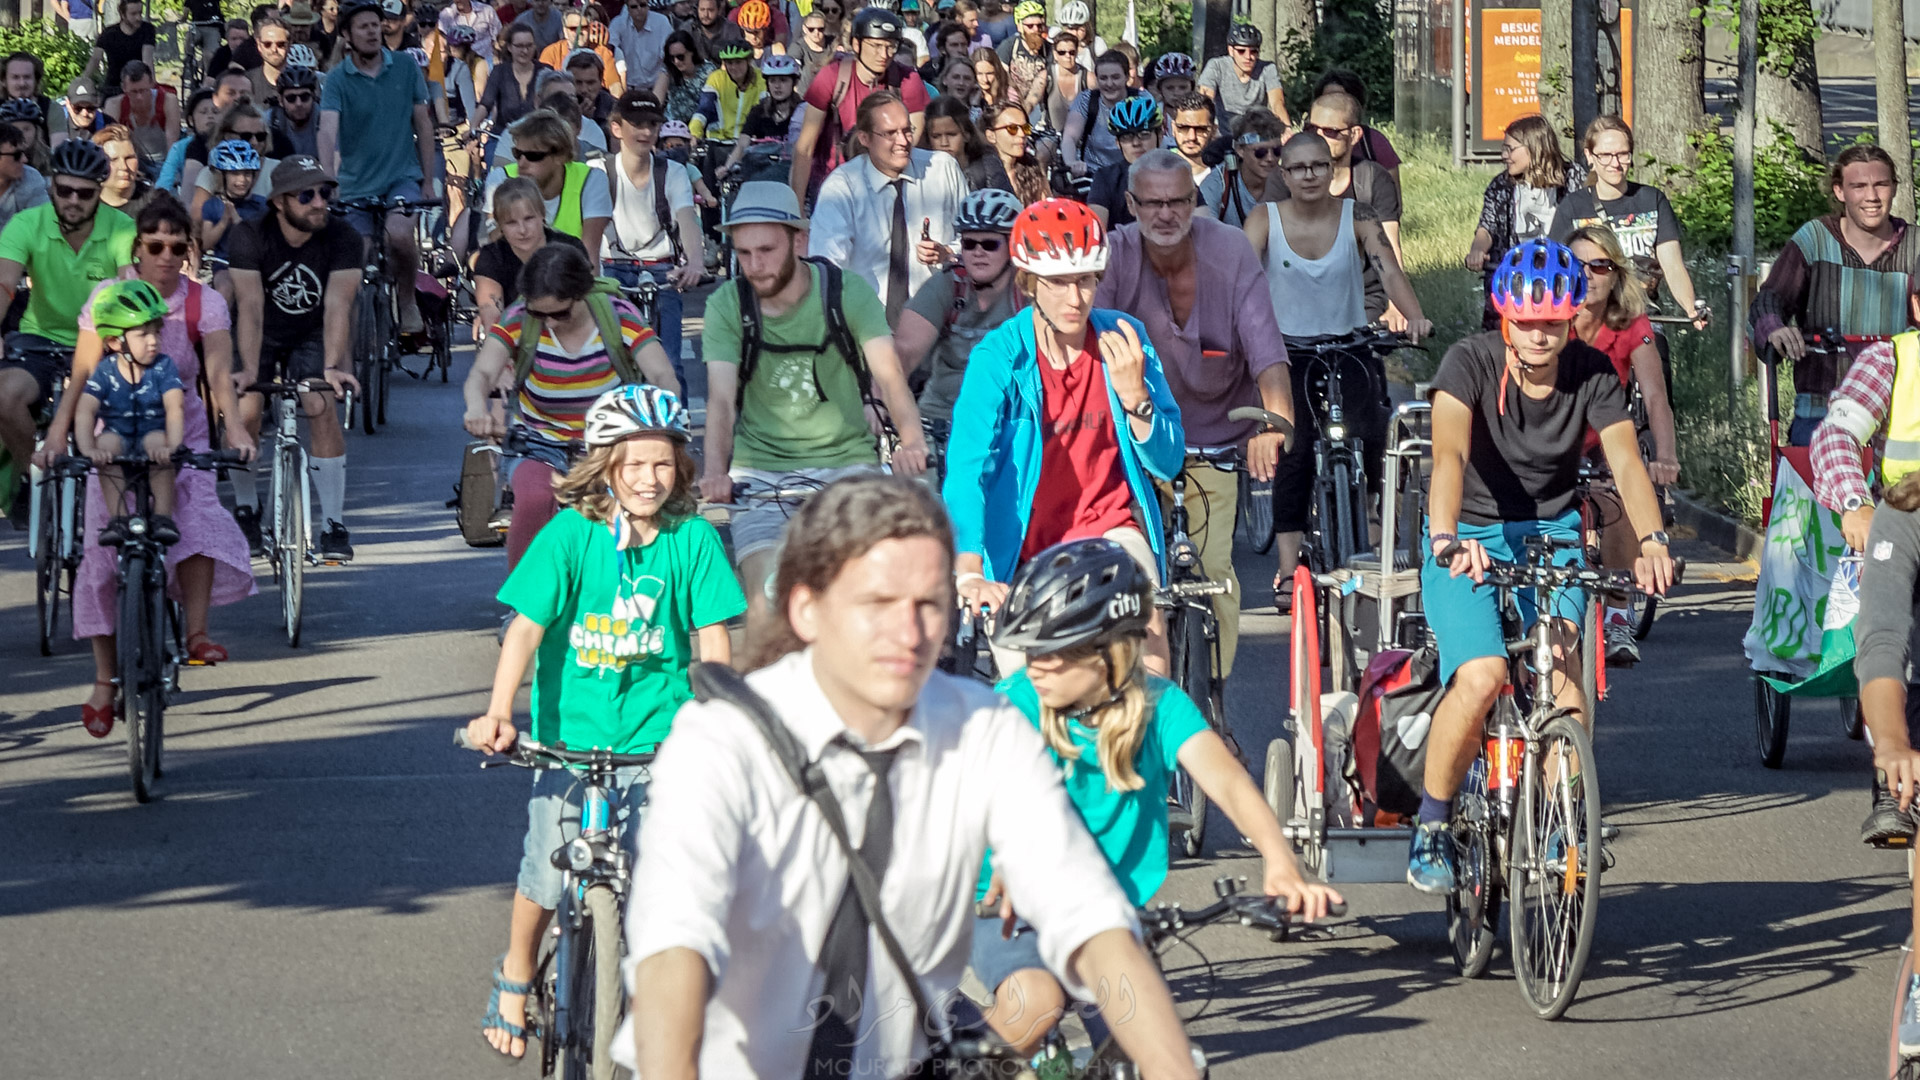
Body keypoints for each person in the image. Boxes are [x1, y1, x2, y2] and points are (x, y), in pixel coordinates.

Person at [620, 473, 1202, 1080]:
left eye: (928, 603)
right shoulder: (722, 742)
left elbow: (1090, 917)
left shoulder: (983, 726)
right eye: (877, 603)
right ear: (806, 610)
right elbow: (675, 951)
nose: (910, 632)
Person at [972, 537, 1341, 1056]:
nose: (1035, 667)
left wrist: (1280, 861)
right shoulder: (1013, 706)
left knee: (1158, 1054)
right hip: (1010, 909)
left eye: (1053, 654)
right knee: (1034, 1004)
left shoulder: (1159, 704)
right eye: (1030, 651)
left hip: (1106, 912)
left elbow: (1227, 782)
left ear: (1106, 652)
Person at [465, 383, 744, 1062]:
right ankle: (518, 970)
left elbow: (712, 639)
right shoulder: (571, 535)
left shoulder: (694, 540)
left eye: (663, 463)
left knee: (666, 876)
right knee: (543, 868)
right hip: (570, 742)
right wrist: (500, 713)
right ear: (604, 465)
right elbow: (526, 630)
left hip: (661, 742)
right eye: (633, 464)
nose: (649, 479)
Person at [1407, 237, 1674, 893]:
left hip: (1549, 530)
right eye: (1525, 323)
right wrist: (1445, 537)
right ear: (1505, 316)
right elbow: (1446, 457)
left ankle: (1560, 825)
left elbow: (1626, 463)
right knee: (1482, 674)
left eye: (1551, 323)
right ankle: (1434, 825)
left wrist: (1653, 541)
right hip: (1466, 532)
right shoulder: (1469, 361)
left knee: (1561, 659)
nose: (1538, 337)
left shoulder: (1591, 372)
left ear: (1571, 318)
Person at [942, 198, 1183, 672]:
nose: (1075, 299)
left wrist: (1136, 398)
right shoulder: (998, 357)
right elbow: (967, 469)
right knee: (1029, 697)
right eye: (1058, 283)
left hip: (1109, 529)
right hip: (1020, 549)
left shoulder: (1124, 336)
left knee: (1149, 647)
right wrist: (969, 573)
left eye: (1086, 280)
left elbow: (1168, 461)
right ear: (1029, 284)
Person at [42, 206, 253, 733]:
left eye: (176, 247)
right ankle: (104, 678)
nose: (164, 256)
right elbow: (84, 375)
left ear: (189, 251)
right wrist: (56, 435)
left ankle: (196, 635)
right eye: (154, 245)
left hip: (180, 430)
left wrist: (235, 430)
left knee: (199, 514)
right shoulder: (109, 298)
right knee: (100, 550)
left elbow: (218, 374)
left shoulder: (201, 301)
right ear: (136, 247)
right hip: (113, 432)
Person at [695, 181, 930, 652]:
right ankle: (774, 720)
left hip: (845, 465)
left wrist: (911, 441)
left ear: (799, 242)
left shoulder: (847, 294)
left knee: (858, 591)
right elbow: (720, 400)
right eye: (743, 253)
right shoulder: (728, 305)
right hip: (761, 474)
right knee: (765, 604)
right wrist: (715, 472)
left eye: (766, 249)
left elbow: (888, 375)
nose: (754, 265)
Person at [1094, 149, 1295, 680]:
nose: (1165, 214)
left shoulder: (1230, 251)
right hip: (1135, 447)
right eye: (1153, 203)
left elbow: (1267, 351)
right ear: (1132, 205)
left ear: (1194, 201)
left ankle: (1214, 711)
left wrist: (1273, 424)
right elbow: (1087, 347)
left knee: (1215, 577)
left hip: (1216, 441)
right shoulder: (1113, 256)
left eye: (1178, 201)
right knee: (1134, 581)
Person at [1245, 130, 1429, 599]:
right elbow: (1240, 279)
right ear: (1283, 174)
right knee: (1296, 449)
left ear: (1332, 171)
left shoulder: (1357, 216)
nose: (1309, 175)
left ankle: (1365, 526)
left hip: (1349, 343)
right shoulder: (1265, 219)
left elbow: (1388, 269)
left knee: (1374, 429)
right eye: (1299, 168)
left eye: (1318, 166)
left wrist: (1414, 317)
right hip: (1287, 353)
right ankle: (1288, 571)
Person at [463, 242, 678, 565]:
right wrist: (476, 408)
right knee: (535, 499)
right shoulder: (520, 318)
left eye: (560, 313)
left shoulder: (616, 316)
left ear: (583, 295)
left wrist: (665, 418)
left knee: (620, 513)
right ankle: (525, 605)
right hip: (539, 442)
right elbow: (482, 373)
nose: (549, 323)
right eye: (540, 314)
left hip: (609, 446)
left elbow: (662, 374)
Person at [226, 155, 362, 560]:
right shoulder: (249, 236)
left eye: (324, 192)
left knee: (319, 402)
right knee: (245, 410)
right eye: (307, 195)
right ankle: (247, 506)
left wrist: (334, 366)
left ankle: (333, 523)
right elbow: (249, 307)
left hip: (313, 331)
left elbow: (339, 305)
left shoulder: (345, 238)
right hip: (262, 331)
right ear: (279, 202)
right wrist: (249, 371)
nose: (320, 202)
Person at [1755, 142, 1920, 445]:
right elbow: (1770, 298)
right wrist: (1775, 328)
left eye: (1881, 184)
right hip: (1821, 410)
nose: (1871, 196)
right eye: (1859, 186)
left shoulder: (1916, 246)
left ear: (1894, 188)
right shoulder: (1815, 238)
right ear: (1839, 191)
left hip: (1898, 414)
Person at [1567, 222, 1678, 666]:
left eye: (1600, 265)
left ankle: (1616, 614)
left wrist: (1666, 456)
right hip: (1553, 436)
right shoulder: (1549, 316)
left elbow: (1654, 396)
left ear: (1615, 274)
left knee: (1616, 496)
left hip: (1605, 435)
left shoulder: (1631, 323)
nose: (1589, 274)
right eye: (1577, 265)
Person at [0, 139, 132, 483]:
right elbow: (3, 284)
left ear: (99, 191)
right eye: (64, 190)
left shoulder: (121, 228)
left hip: (101, 344)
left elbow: (127, 289)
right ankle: (31, 474)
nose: (73, 200)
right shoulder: (27, 224)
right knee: (4, 396)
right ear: (51, 186)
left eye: (85, 194)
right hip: (39, 338)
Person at [319, 0, 439, 334]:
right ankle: (358, 338)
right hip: (355, 184)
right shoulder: (337, 79)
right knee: (358, 253)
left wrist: (427, 181)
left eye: (376, 24)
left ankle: (407, 300)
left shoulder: (404, 66)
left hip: (402, 177)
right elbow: (327, 131)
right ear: (347, 35)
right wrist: (328, 180)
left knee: (399, 235)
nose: (373, 32)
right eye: (364, 26)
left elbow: (424, 126)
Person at [810, 90, 966, 326]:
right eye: (890, 134)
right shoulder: (843, 187)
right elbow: (827, 266)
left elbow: (973, 240)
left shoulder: (943, 169)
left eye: (906, 131)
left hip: (936, 324)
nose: (903, 142)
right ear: (865, 138)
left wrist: (947, 253)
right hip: (867, 325)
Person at [1549, 115, 1711, 332]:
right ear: (1589, 156)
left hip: (1644, 321)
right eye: (1605, 155)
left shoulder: (1652, 199)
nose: (1615, 163)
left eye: (1623, 154)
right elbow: (1556, 267)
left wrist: (1691, 308)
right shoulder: (1573, 206)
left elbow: (1673, 265)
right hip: (1591, 322)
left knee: (1653, 359)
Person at [1266, 90, 1407, 328]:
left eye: (1331, 132)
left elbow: (1389, 247)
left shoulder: (1373, 179)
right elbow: (1264, 248)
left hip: (1360, 297)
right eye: (1312, 129)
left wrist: (1397, 307)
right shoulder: (1282, 180)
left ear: (1354, 135)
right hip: (1296, 298)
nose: (1320, 137)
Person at [895, 188, 1021, 451]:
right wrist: (880, 409)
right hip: (941, 419)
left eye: (989, 244)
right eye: (969, 243)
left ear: (1013, 246)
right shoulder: (948, 285)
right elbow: (902, 354)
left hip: (1010, 421)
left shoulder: (1029, 291)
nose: (977, 252)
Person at [71, 280, 183, 552]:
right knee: (106, 445)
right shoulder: (106, 371)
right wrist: (88, 449)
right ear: (113, 340)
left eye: (156, 332)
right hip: (118, 437)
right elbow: (86, 409)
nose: (153, 341)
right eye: (142, 334)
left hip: (152, 436)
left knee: (157, 442)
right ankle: (118, 519)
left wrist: (173, 446)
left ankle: (163, 517)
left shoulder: (163, 367)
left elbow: (174, 407)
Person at [604, 91, 705, 384]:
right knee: (610, 364)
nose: (646, 131)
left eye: (652, 123)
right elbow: (591, 228)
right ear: (616, 128)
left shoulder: (672, 172)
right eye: (636, 124)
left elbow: (687, 218)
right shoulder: (600, 170)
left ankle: (679, 427)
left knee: (670, 364)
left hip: (661, 268)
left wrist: (695, 262)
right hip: (612, 268)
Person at [792, 6, 929, 207]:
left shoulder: (908, 79)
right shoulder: (832, 76)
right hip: (833, 184)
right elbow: (805, 146)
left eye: (891, 46)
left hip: (889, 184)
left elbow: (913, 140)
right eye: (875, 45)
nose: (884, 54)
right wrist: (797, 209)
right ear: (856, 44)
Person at [1464, 113, 1575, 330]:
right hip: (1516, 280)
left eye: (1510, 149)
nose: (1504, 155)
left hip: (1560, 279)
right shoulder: (1502, 185)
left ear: (1534, 148)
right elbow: (1486, 228)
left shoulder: (1572, 179)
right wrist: (1477, 251)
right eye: (1503, 148)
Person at [478, 108, 612, 263]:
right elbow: (496, 250)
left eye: (533, 156)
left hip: (572, 275)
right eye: (517, 154)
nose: (521, 163)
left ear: (560, 157)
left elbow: (589, 257)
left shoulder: (591, 179)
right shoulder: (501, 178)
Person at [473, 176, 589, 338]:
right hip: (515, 335)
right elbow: (490, 309)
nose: (522, 230)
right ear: (500, 225)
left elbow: (586, 301)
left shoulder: (570, 248)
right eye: (511, 223)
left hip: (569, 332)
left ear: (542, 215)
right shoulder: (492, 257)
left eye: (529, 218)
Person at [1196, 106, 1284, 228]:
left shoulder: (1288, 181)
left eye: (1277, 151)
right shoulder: (1219, 183)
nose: (1270, 158)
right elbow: (1204, 230)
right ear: (1240, 150)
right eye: (1260, 152)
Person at [1310, 69, 1400, 180]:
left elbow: (1393, 192)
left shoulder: (1374, 143)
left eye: (1342, 99)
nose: (1333, 104)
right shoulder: (1304, 141)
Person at [1060, 49, 1134, 181]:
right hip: (1095, 175)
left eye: (1115, 77)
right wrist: (1072, 162)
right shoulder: (1087, 100)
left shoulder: (1142, 100)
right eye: (1103, 78)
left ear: (1127, 77)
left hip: (1133, 174)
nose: (1109, 84)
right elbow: (1070, 137)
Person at [1197, 22, 1287, 129]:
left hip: (1256, 133)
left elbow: (1277, 102)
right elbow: (1206, 99)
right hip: (1223, 133)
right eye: (1241, 51)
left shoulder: (1268, 68)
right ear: (1231, 51)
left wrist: (1286, 129)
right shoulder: (1216, 66)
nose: (1248, 56)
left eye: (1253, 51)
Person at [473, 22, 551, 144]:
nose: (525, 51)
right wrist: (473, 127)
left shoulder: (546, 72)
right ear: (509, 47)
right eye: (519, 46)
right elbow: (485, 104)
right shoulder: (499, 72)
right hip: (504, 137)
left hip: (538, 139)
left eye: (529, 46)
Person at [104, 62, 182, 165]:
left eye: (144, 90)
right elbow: (111, 144)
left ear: (152, 84)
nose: (139, 97)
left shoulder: (167, 101)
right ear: (124, 88)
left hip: (164, 161)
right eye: (134, 92)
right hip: (133, 163)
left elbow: (172, 143)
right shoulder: (114, 105)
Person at [688, 40, 764, 143]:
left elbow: (766, 110)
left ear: (749, 61)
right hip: (717, 141)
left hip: (749, 142)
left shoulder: (761, 79)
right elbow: (704, 109)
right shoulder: (716, 78)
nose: (733, 67)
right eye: (729, 63)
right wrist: (694, 133)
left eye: (738, 62)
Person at [976, 98, 1046, 204]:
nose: (1022, 134)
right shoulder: (978, 173)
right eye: (1012, 128)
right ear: (991, 135)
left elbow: (1046, 209)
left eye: (1025, 128)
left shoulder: (1033, 169)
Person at [85, 0, 156, 98]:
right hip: (113, 86)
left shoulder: (147, 30)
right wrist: (84, 80)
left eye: (140, 13)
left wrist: (151, 85)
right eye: (133, 14)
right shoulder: (109, 33)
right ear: (122, 15)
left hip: (137, 86)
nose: (138, 18)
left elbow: (147, 59)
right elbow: (95, 59)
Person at [156, 90, 220, 196]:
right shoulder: (179, 148)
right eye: (203, 112)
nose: (210, 116)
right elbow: (164, 183)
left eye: (216, 112)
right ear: (191, 120)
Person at [538, 10, 620, 91]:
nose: (579, 32)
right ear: (565, 31)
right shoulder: (551, 52)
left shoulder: (603, 52)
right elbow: (542, 87)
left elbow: (615, 86)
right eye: (573, 28)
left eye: (583, 27)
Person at [920, 94, 987, 185]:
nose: (944, 143)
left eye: (951, 135)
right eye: (936, 136)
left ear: (967, 134)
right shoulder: (922, 174)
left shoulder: (986, 167)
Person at [608, 0, 672, 94]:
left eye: (643, 5)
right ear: (628, 8)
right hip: (628, 89)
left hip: (656, 87)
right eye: (634, 7)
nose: (639, 9)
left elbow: (668, 55)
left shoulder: (662, 22)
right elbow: (611, 51)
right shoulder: (617, 23)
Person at [995, 0, 1047, 112]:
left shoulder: (1048, 49)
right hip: (1011, 104)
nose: (1036, 30)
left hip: (1040, 108)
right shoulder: (1009, 46)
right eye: (1030, 26)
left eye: (1039, 25)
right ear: (1019, 26)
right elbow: (1000, 77)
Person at [92, 125, 153, 219]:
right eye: (113, 160)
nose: (123, 167)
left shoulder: (156, 202)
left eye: (129, 158)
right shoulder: (84, 204)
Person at [0, 124, 48, 236]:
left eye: (24, 153)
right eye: (17, 155)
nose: (24, 160)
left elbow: (43, 226)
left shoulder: (31, 178)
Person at [656, 29, 713, 124]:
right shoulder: (669, 70)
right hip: (672, 124)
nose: (676, 62)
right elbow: (657, 100)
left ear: (691, 52)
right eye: (672, 58)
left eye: (680, 57)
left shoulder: (708, 71)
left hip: (701, 124)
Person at [267, 63, 323, 159]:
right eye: (291, 98)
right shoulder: (270, 121)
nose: (298, 104)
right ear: (280, 100)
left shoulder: (327, 120)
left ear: (313, 97)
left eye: (304, 97)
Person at [1165, 92, 1214, 185]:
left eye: (1200, 129)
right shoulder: (1158, 168)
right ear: (1173, 128)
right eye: (1184, 128)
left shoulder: (1226, 173)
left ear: (1214, 130)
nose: (1192, 137)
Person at [245, 15, 295, 106]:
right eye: (267, 44)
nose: (274, 49)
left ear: (290, 44)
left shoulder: (306, 80)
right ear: (259, 45)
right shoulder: (247, 82)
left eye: (281, 44)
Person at [51, 77, 106, 149]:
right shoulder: (54, 125)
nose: (84, 113)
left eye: (90, 108)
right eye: (78, 108)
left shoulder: (107, 124)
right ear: (68, 104)